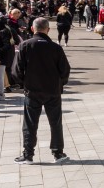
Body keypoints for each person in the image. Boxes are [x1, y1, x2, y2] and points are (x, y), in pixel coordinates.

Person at [11, 17, 71, 164]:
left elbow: (16, 71)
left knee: (30, 123)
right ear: (48, 30)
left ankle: (28, 154)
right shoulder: (56, 48)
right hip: (52, 90)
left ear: (32, 29)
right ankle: (58, 152)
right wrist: (59, 84)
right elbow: (65, 70)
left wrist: (24, 83)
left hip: (32, 90)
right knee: (55, 122)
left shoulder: (25, 45)